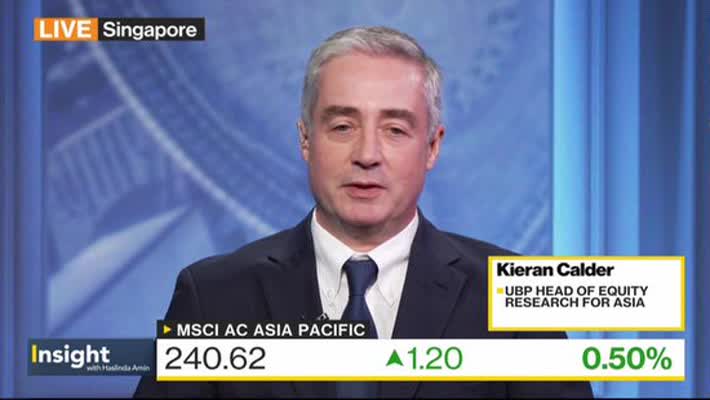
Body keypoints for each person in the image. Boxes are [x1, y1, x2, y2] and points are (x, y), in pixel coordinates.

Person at [135, 26, 593, 399]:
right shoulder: (212, 296)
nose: (367, 155)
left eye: (395, 130)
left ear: (432, 146)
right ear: (305, 139)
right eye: (342, 127)